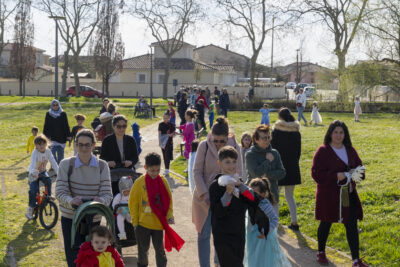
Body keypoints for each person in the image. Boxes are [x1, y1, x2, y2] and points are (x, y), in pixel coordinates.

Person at [311, 120, 369, 267]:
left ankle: (355, 260)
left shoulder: (350, 150)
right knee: (326, 222)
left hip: (347, 195)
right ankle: (321, 252)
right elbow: (316, 174)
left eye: (341, 132)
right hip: (328, 196)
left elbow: (361, 170)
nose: (338, 135)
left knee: (351, 225)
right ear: (330, 133)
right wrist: (336, 176)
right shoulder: (323, 151)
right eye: (335, 132)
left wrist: (355, 173)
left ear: (345, 134)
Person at [56, 129, 113, 267]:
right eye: (80, 144)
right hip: (71, 218)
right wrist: (71, 201)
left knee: (93, 258)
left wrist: (101, 201)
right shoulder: (66, 164)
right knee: (73, 258)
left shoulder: (102, 166)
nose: (84, 148)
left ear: (93, 145)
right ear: (76, 145)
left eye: (87, 145)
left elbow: (107, 193)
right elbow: (60, 191)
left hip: (93, 219)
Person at [192, 117, 243, 267]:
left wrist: (233, 190)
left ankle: (218, 263)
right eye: (216, 140)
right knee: (204, 235)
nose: (219, 144)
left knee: (222, 235)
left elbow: (240, 171)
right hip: (204, 199)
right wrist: (205, 193)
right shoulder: (204, 146)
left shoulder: (235, 147)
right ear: (211, 136)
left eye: (222, 141)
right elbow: (196, 172)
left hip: (227, 197)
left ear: (227, 137)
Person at [129, 153, 184, 267]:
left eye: (157, 170)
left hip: (158, 224)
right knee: (143, 251)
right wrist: (135, 222)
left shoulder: (163, 181)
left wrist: (169, 216)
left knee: (160, 251)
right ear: (145, 168)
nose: (155, 173)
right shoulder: (139, 182)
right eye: (152, 170)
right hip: (142, 224)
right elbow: (133, 203)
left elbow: (168, 201)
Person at [209, 146, 255, 267]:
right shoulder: (215, 186)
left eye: (234, 161)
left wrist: (241, 186)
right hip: (222, 236)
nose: (232, 165)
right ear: (219, 163)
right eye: (227, 162)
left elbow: (252, 200)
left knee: (238, 262)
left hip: (238, 233)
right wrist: (228, 194)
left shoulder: (239, 182)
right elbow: (218, 212)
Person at [244, 178, 291, 267]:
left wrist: (266, 231)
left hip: (263, 239)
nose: (252, 195)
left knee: (263, 259)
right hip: (251, 236)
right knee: (252, 257)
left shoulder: (265, 205)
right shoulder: (249, 203)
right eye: (251, 192)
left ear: (262, 193)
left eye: (255, 193)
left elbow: (274, 219)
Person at [271, 108, 301, 231]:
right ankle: (294, 222)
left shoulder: (276, 131)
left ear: (280, 117)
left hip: (278, 167)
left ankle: (275, 222)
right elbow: (298, 151)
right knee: (290, 196)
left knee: (275, 196)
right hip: (292, 166)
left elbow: (272, 150)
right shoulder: (296, 132)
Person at [245, 125, 286, 215]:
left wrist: (266, 174)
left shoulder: (274, 153)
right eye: (264, 138)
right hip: (255, 197)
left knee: (272, 226)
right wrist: (267, 161)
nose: (267, 140)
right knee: (254, 227)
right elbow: (255, 174)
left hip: (272, 195)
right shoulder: (250, 155)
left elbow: (282, 172)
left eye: (268, 137)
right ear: (256, 140)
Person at [26, 134, 59, 220]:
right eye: (38, 144)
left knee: (48, 180)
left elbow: (53, 162)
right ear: (35, 145)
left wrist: (59, 173)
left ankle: (48, 195)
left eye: (43, 143)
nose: (41, 146)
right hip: (33, 173)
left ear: (46, 143)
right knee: (34, 191)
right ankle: (30, 208)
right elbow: (33, 164)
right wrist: (34, 172)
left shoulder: (48, 151)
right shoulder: (35, 152)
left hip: (42, 172)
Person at [43, 99, 71, 164]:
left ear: (59, 105)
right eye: (53, 105)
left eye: (56, 105)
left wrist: (68, 135)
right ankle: (54, 166)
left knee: (60, 154)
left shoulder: (63, 114)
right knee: (52, 154)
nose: (55, 106)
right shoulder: (48, 114)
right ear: (51, 106)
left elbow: (66, 125)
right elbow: (46, 125)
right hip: (52, 137)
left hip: (61, 137)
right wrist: (44, 136)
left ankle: (60, 166)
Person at [158, 111, 176, 177]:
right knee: (164, 155)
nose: (165, 119)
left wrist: (171, 134)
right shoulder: (161, 124)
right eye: (164, 118)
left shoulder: (171, 125)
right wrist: (159, 142)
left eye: (166, 118)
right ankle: (166, 169)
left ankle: (167, 170)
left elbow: (173, 133)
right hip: (163, 143)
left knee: (167, 156)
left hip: (169, 143)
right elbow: (159, 133)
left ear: (169, 117)